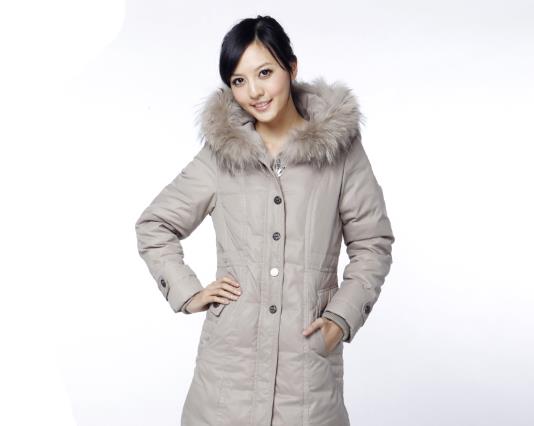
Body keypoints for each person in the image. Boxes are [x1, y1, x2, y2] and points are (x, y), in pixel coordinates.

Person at [135, 15, 395, 426]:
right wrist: (188, 291)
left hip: (306, 382)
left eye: (265, 73)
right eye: (239, 81)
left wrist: (340, 318)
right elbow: (155, 225)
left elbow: (373, 244)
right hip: (226, 384)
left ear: (291, 67)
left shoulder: (340, 152)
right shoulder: (221, 155)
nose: (254, 92)